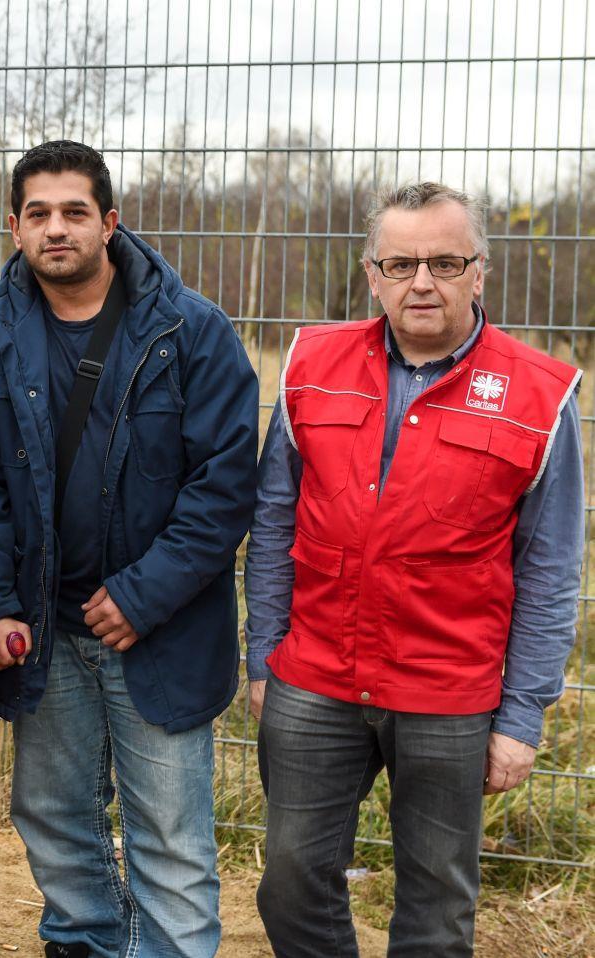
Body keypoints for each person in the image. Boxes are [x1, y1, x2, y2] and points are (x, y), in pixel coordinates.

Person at [0, 140, 259, 958]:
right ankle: (84, 943)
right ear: (12, 227)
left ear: (109, 223)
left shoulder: (192, 329)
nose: (56, 229)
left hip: (161, 630)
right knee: (51, 818)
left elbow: (224, 484)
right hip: (39, 627)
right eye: (36, 214)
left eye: (74, 212)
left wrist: (143, 595)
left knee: (172, 842)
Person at [244, 182, 585, 957]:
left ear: (478, 272)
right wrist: (264, 652)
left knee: (435, 904)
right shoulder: (311, 364)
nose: (420, 281)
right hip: (315, 678)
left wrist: (520, 716)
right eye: (400, 263)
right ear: (371, 274)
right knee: (290, 877)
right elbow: (271, 522)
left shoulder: (536, 393)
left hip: (449, 690)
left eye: (442, 261)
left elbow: (550, 569)